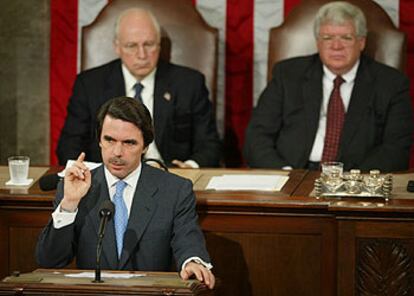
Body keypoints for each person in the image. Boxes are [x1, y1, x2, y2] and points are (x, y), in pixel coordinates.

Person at [36, 97, 215, 289]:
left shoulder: (174, 189)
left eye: (129, 143)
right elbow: (49, 260)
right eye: (109, 140)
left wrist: (192, 261)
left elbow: (186, 237)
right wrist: (69, 204)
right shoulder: (74, 187)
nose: (117, 152)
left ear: (145, 146)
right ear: (99, 140)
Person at [244, 1, 413, 172]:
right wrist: (284, 173)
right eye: (328, 38)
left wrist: (353, 181)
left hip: (356, 180)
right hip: (292, 174)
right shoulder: (287, 75)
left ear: (361, 42)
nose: (336, 46)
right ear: (318, 42)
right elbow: (257, 137)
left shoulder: (391, 83)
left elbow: (396, 149)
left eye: (346, 38)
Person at [57, 8, 221, 168]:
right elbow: (69, 146)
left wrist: (189, 168)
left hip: (170, 178)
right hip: (109, 179)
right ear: (117, 47)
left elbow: (209, 144)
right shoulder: (90, 84)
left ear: (159, 45)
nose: (142, 55)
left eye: (149, 44)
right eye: (131, 45)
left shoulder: (189, 83)